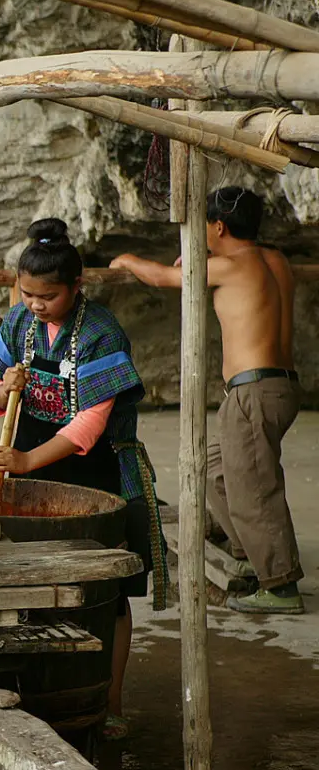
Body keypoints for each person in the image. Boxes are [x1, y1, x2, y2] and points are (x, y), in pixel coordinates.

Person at [0, 218, 164, 738]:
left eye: (49, 295)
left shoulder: (103, 333)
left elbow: (88, 425)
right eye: (27, 293)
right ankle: (35, 694)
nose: (36, 304)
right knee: (30, 580)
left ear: (76, 286)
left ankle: (108, 704)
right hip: (27, 466)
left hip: (94, 470)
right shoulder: (18, 322)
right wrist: (1, 390)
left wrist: (25, 463)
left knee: (108, 593)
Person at [111, 188, 302, 613]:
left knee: (254, 489)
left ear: (218, 226)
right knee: (218, 469)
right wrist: (201, 263)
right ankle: (252, 555)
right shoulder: (276, 261)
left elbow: (161, 278)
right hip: (279, 387)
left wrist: (126, 261)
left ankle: (280, 586)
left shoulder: (229, 266)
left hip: (253, 391)